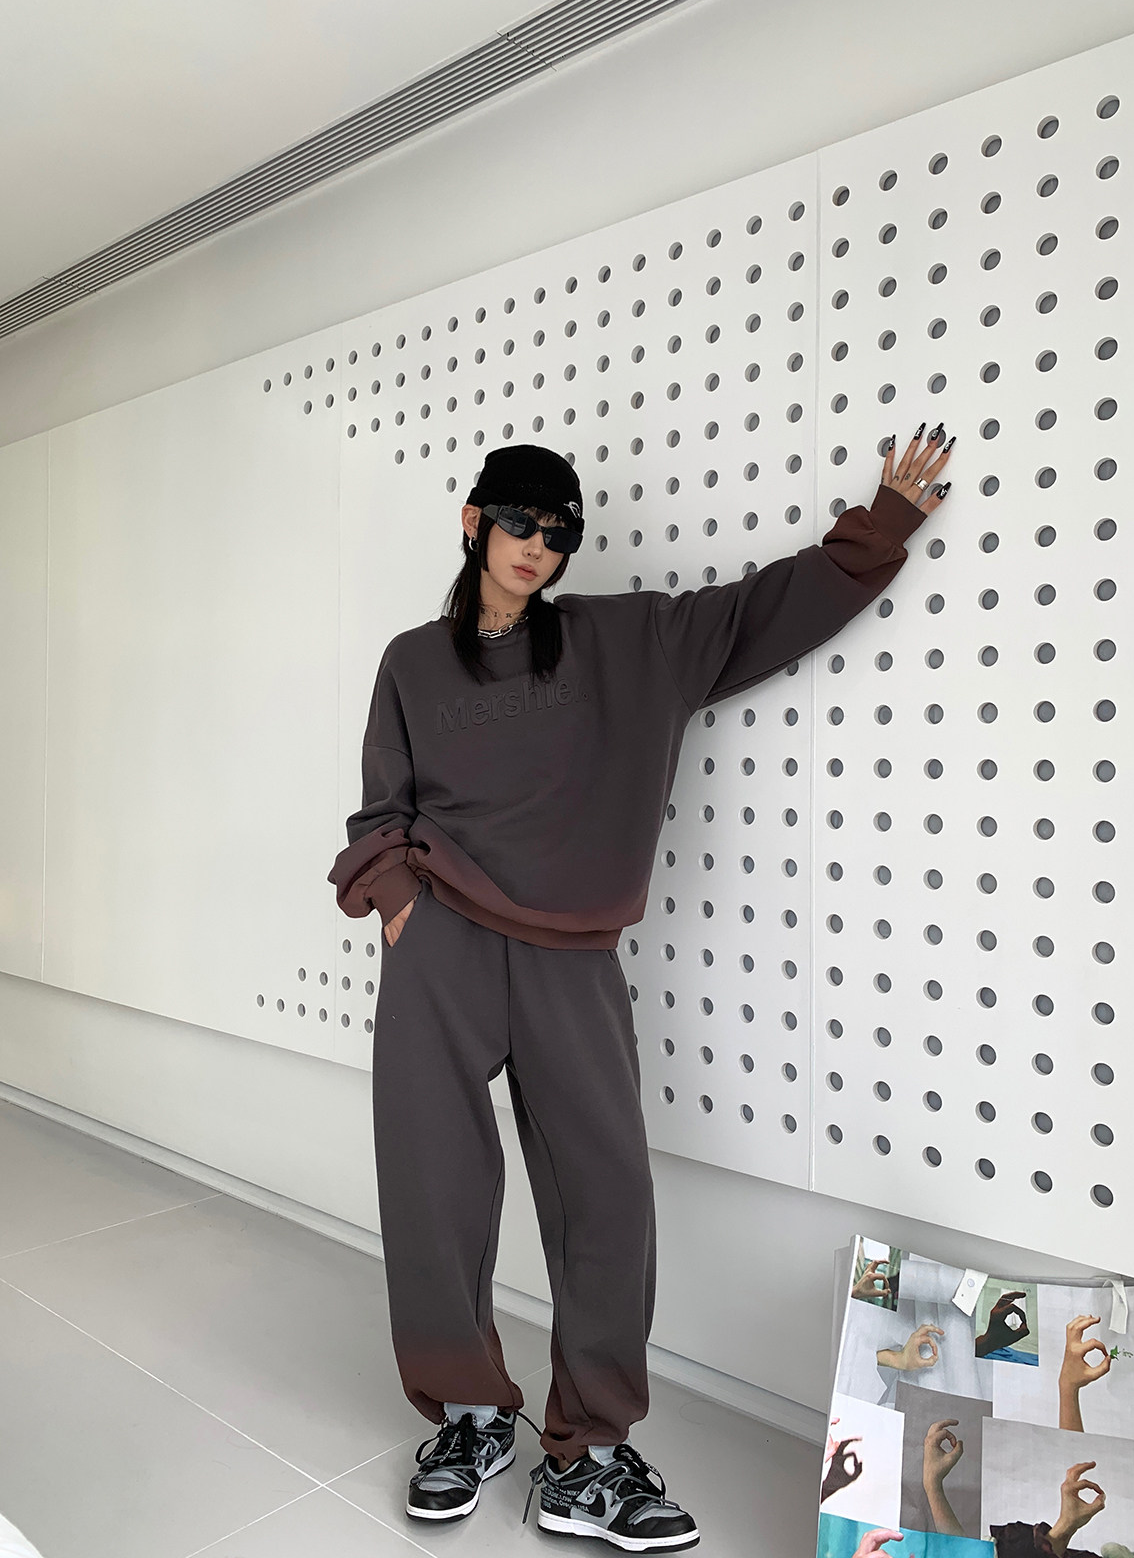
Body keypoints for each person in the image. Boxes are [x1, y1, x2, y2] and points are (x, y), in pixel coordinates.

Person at [328, 428, 953, 1546]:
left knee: (606, 1197)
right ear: (473, 523)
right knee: (431, 1185)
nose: (538, 546)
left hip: (572, 954)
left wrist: (880, 528)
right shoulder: (411, 662)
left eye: (559, 533)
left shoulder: (629, 640)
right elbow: (382, 804)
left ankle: (590, 1455)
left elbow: (763, 611)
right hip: (442, 946)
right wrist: (396, 902)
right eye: (519, 523)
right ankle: (469, 1415)